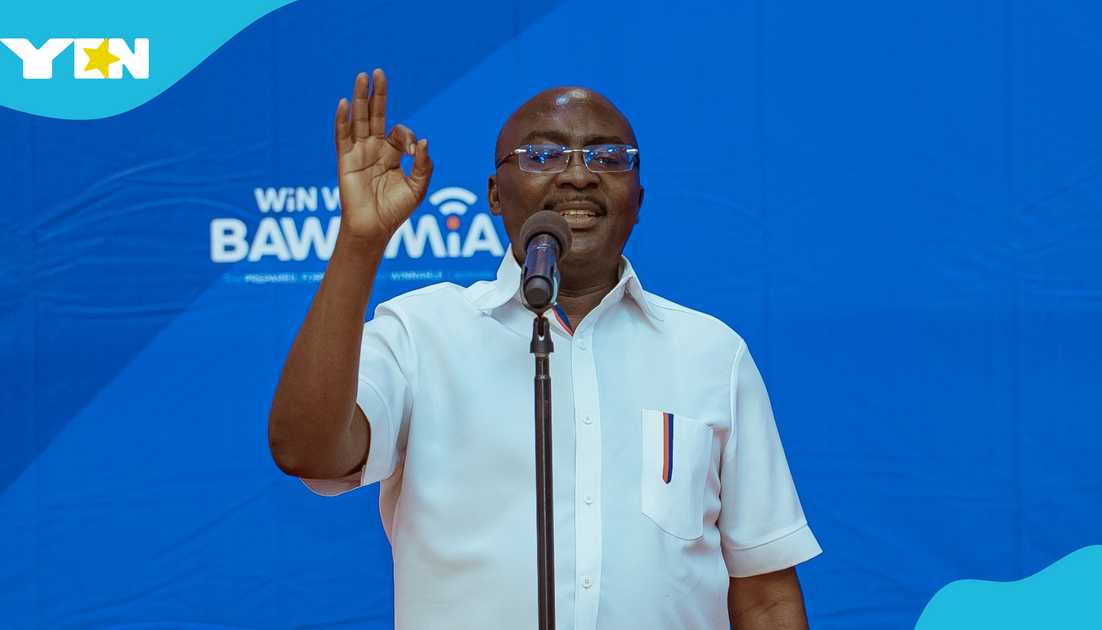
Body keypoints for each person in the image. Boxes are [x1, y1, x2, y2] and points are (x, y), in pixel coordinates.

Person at [268, 68, 822, 630]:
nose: (579, 175)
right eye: (542, 155)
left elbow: (766, 593)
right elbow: (307, 452)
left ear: (638, 197)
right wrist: (360, 242)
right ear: (493, 194)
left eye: (608, 157)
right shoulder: (422, 332)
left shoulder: (711, 353)